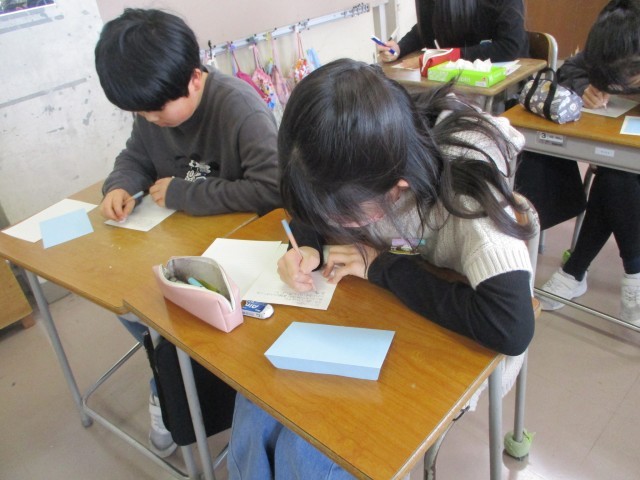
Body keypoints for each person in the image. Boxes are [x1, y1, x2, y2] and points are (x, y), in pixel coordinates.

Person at [226, 58, 536, 478]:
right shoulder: (364, 143)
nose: (333, 224)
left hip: (446, 335)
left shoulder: (470, 193)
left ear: (397, 188)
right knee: (255, 409)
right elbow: (316, 206)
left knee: (310, 451)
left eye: (343, 216)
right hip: (386, 306)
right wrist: (310, 246)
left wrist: (381, 266)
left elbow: (511, 326)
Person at [95, 8, 280, 457]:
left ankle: (177, 381)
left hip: (238, 251)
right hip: (177, 242)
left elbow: (273, 188)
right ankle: (170, 374)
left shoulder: (239, 108)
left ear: (195, 79)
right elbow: (135, 156)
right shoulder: (153, 107)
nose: (149, 118)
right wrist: (120, 184)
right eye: (139, 112)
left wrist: (184, 193)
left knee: (180, 320)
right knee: (127, 301)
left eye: (156, 111)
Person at [533, 0, 640, 325]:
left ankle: (575, 269)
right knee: (615, 171)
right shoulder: (616, 34)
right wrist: (586, 88)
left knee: (617, 171)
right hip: (627, 151)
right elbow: (570, 70)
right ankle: (633, 276)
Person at [377, 0, 529, 63]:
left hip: (508, 85)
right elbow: (427, 27)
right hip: (457, 81)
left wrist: (452, 55)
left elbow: (510, 46)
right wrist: (399, 48)